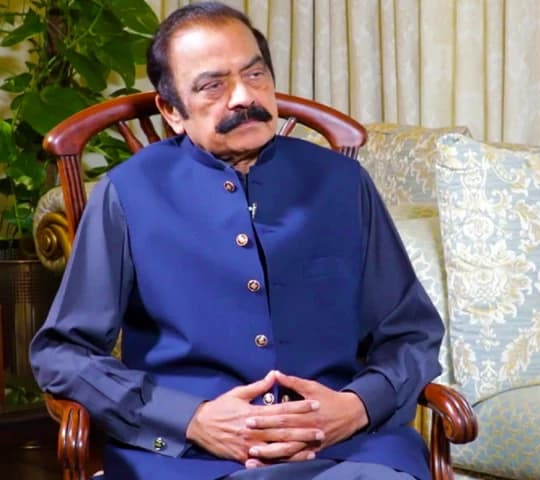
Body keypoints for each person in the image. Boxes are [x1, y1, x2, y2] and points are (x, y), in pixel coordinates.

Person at [30, 2, 444, 479]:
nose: (244, 97)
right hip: (186, 459)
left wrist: (356, 407)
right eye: (213, 86)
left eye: (255, 74)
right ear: (172, 111)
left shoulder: (342, 182)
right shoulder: (128, 193)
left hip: (348, 452)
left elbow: (411, 332)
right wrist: (189, 419)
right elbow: (63, 353)